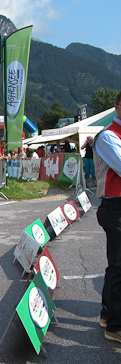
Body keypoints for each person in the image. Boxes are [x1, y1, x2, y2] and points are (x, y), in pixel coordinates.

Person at [93, 91, 121, 344]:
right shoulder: (108, 135)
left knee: (117, 265)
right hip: (115, 206)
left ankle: (107, 315)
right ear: (117, 107)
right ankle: (115, 325)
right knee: (119, 266)